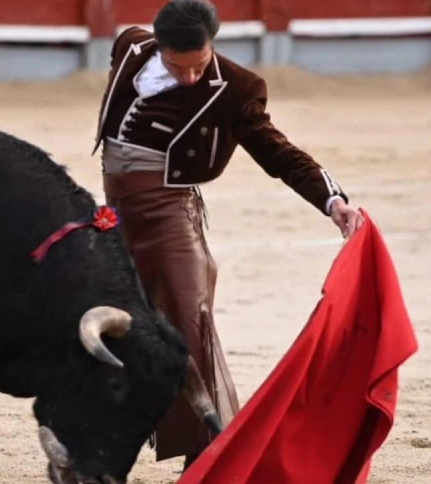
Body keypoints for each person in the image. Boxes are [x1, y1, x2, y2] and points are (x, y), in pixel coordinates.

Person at [92, 0, 364, 469]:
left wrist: (332, 199)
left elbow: (277, 151)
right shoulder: (131, 47)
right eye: (178, 67)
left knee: (189, 322)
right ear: (159, 47)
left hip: (169, 215)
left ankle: (210, 453)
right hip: (115, 215)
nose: (190, 77)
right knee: (106, 322)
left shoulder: (237, 88)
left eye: (199, 66)